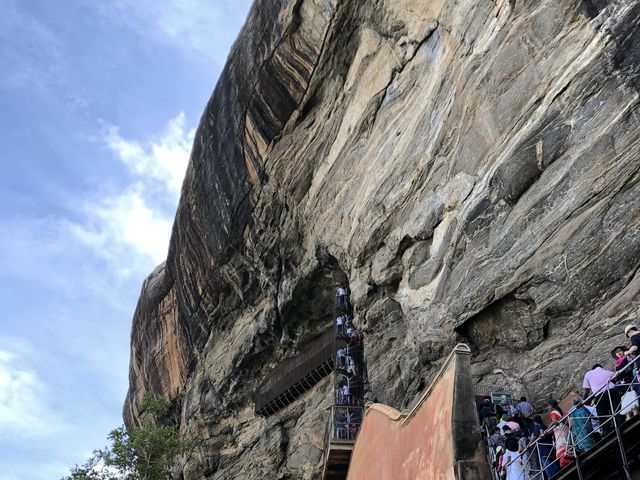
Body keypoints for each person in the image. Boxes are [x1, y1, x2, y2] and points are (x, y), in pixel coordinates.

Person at [583, 363, 622, 434]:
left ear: (593, 369)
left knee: (603, 415)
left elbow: (586, 390)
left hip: (600, 395)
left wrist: (583, 401)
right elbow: (617, 378)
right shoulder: (608, 372)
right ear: (601, 367)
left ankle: (607, 433)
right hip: (613, 391)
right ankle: (621, 426)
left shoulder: (588, 374)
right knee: (616, 411)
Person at [548, 400, 573, 468]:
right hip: (566, 429)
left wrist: (546, 430)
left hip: (560, 432)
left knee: (562, 446)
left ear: (551, 406)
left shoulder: (553, 413)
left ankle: (565, 462)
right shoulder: (561, 411)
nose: (548, 408)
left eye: (548, 406)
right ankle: (571, 457)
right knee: (567, 444)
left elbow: (554, 422)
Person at [624, 325, 640, 398]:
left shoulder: (634, 336)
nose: (629, 337)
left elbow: (634, 347)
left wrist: (628, 352)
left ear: (630, 331)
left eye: (628, 335)